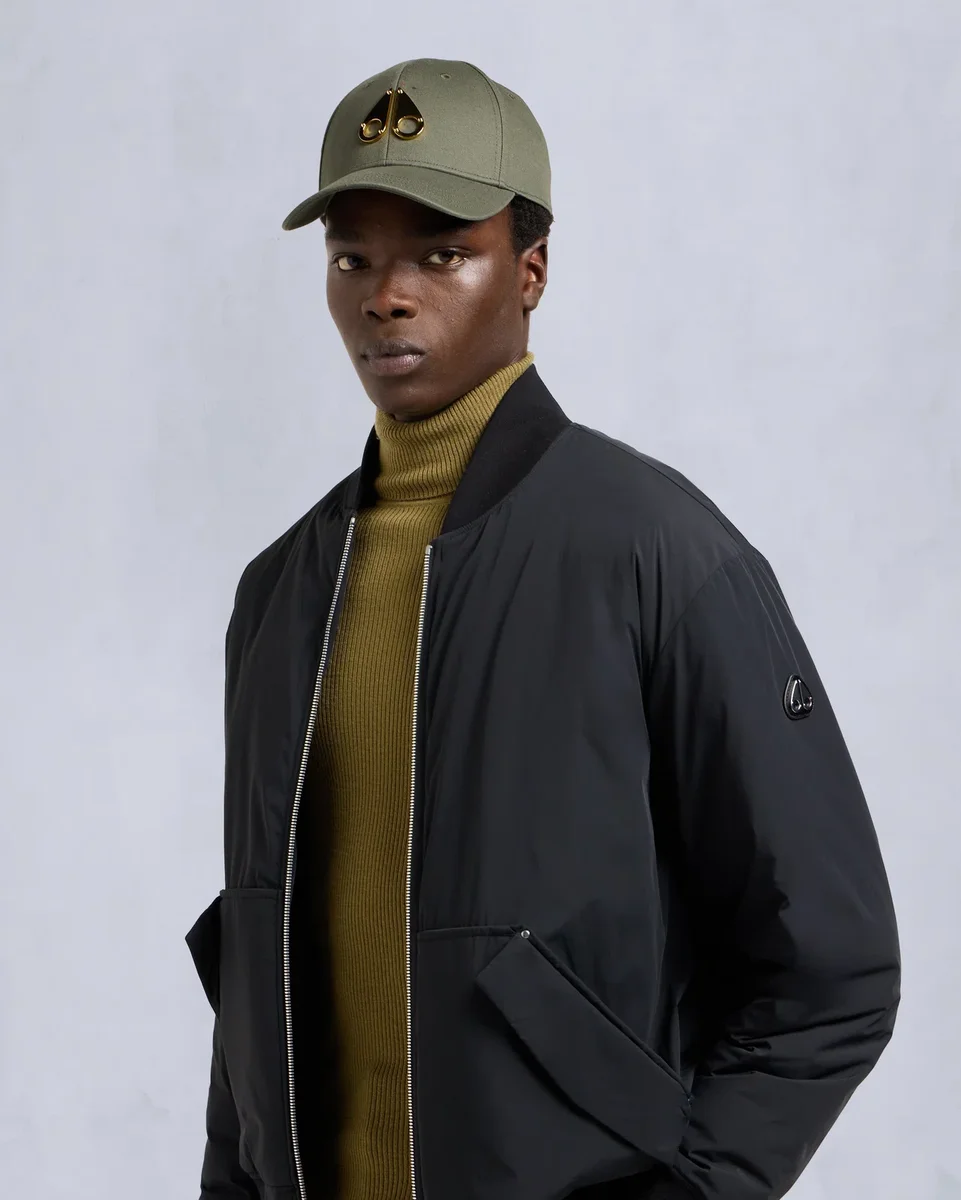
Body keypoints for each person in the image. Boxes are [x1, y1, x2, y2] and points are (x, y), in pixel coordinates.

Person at [185, 58, 900, 1200]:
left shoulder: (656, 551)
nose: (386, 296)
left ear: (530, 270)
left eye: (440, 254)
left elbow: (831, 970)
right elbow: (253, 983)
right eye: (352, 258)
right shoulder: (280, 592)